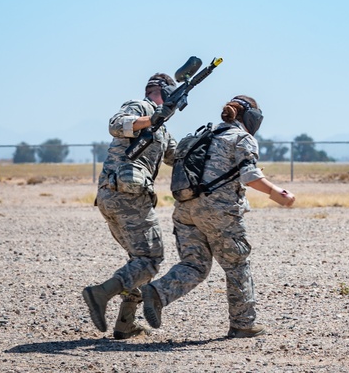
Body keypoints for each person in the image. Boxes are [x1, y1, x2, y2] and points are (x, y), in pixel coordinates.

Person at [141, 95, 296, 338]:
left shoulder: (201, 134)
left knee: (194, 264)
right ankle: (243, 324)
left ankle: (157, 293)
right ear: (250, 119)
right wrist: (278, 193)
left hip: (184, 209)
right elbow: (250, 176)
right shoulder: (242, 138)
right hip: (219, 211)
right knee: (236, 264)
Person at [82, 73, 177, 339]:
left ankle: (126, 324)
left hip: (116, 197)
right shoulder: (140, 107)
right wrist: (152, 119)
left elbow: (177, 156)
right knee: (150, 259)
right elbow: (116, 124)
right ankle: (100, 293)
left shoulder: (164, 131)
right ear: (164, 92)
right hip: (126, 197)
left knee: (138, 261)